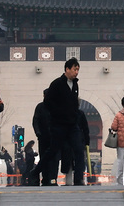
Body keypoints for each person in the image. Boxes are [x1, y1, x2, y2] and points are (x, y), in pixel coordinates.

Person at [40, 58, 82, 186]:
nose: (76, 72)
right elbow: (48, 102)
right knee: (52, 151)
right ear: (67, 69)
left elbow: (74, 102)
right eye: (74, 69)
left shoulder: (75, 84)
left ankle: (78, 179)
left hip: (71, 124)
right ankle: (36, 171)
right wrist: (59, 113)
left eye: (78, 70)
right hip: (59, 124)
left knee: (79, 150)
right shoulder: (57, 84)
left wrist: (74, 114)